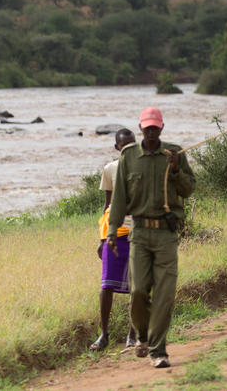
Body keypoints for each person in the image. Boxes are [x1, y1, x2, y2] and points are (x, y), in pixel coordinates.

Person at [106, 107, 195, 369]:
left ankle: (158, 349)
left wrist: (177, 169)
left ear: (162, 128)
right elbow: (120, 197)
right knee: (138, 291)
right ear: (141, 128)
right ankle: (142, 335)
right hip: (140, 234)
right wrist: (111, 232)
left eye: (156, 127)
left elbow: (189, 190)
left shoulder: (174, 153)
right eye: (147, 127)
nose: (152, 131)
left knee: (165, 295)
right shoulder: (129, 156)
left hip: (166, 234)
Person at [90, 128, 138, 352]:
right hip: (114, 233)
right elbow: (106, 206)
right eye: (124, 145)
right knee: (106, 285)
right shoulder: (109, 169)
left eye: (132, 144)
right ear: (117, 148)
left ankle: (132, 333)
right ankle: (103, 334)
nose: (129, 148)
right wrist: (101, 238)